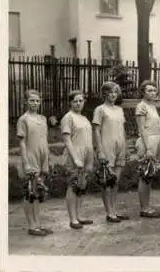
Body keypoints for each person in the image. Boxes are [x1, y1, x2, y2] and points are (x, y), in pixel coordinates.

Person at [16, 90, 54, 236]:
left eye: (37, 101)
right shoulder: (23, 119)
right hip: (31, 157)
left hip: (42, 156)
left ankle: (38, 224)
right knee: (29, 192)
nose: (35, 103)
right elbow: (22, 143)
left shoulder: (43, 119)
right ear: (26, 102)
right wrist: (26, 163)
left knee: (37, 191)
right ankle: (31, 226)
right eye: (32, 101)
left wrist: (47, 159)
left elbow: (44, 140)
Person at [92, 82, 129, 223]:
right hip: (107, 146)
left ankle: (114, 210)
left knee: (116, 181)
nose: (113, 95)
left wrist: (126, 147)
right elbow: (96, 130)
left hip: (120, 146)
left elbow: (122, 129)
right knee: (107, 180)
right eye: (110, 92)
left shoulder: (119, 109)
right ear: (104, 94)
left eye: (115, 92)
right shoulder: (100, 110)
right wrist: (100, 150)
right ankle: (109, 212)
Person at [61, 90, 95, 229]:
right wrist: (75, 158)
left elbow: (88, 140)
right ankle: (73, 219)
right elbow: (67, 140)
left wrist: (91, 158)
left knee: (82, 186)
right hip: (75, 154)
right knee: (73, 185)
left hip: (86, 153)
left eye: (80, 101)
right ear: (70, 102)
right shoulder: (68, 117)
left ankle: (79, 215)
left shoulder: (84, 118)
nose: (78, 103)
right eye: (75, 101)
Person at [134, 80, 160, 218]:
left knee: (150, 175)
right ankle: (144, 208)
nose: (152, 93)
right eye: (149, 90)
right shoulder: (141, 107)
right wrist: (148, 149)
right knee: (145, 175)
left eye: (154, 90)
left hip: (156, 140)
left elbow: (157, 128)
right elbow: (142, 129)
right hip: (147, 142)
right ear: (143, 92)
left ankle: (147, 206)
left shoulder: (152, 106)